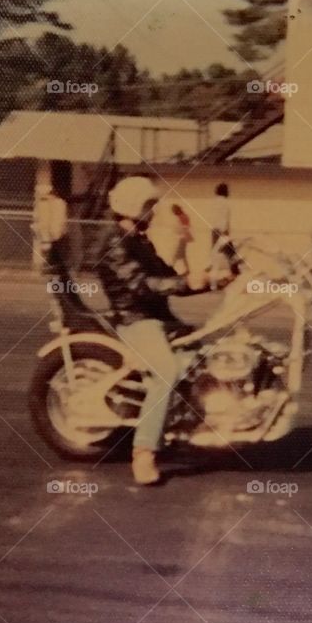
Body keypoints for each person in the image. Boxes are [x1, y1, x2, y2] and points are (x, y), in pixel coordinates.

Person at [95, 176, 212, 486]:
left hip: (157, 316)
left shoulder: (138, 239)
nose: (153, 211)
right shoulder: (114, 244)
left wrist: (211, 278)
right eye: (149, 206)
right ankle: (144, 452)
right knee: (166, 371)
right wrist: (186, 283)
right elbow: (142, 286)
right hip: (136, 320)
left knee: (204, 355)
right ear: (134, 207)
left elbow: (166, 276)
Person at [209, 182, 240, 278]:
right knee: (230, 253)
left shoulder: (214, 202)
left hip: (214, 230)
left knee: (216, 251)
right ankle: (235, 272)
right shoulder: (225, 202)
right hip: (222, 230)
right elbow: (225, 218)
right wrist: (226, 231)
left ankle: (214, 271)